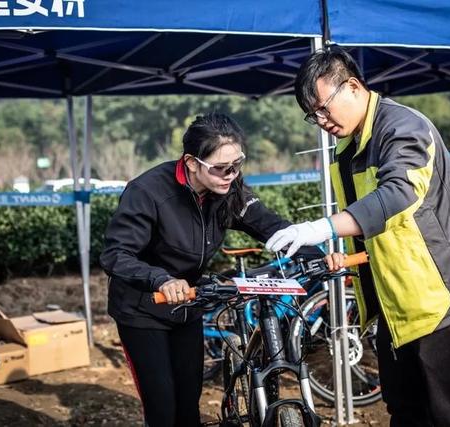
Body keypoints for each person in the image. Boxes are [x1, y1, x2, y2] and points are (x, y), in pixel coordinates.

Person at [265, 47, 450, 427]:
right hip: (396, 307)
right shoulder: (348, 146)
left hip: (440, 300)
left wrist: (322, 227)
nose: (322, 120)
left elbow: (398, 193)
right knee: (406, 412)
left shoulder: (402, 127)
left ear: (353, 86)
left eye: (324, 108)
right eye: (313, 116)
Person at [99, 113, 320, 427]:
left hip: (187, 305)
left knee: (189, 407)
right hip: (143, 309)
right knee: (163, 409)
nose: (231, 174)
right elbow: (116, 255)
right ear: (191, 162)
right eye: (221, 167)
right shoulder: (148, 191)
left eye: (237, 164)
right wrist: (160, 280)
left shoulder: (226, 188)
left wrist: (317, 250)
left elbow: (269, 225)